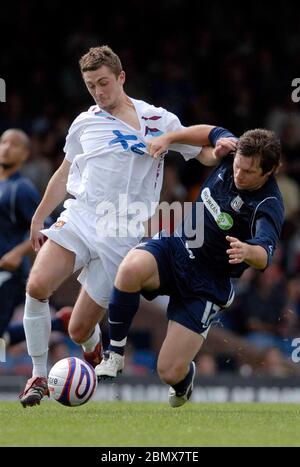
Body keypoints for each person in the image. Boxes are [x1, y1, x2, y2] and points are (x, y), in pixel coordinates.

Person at [19, 45, 228, 407]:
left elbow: (199, 151)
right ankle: (37, 376)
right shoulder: (85, 122)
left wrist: (218, 151)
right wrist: (40, 216)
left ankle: (93, 344)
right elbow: (65, 172)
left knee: (79, 329)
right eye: (90, 86)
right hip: (82, 217)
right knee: (37, 285)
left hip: (123, 233)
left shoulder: (158, 120)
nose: (98, 93)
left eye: (103, 83)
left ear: (121, 78)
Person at [96, 127, 284, 408]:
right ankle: (114, 354)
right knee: (130, 269)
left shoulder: (269, 204)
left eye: (248, 172)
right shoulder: (234, 149)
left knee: (168, 371)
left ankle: (185, 380)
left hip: (208, 283)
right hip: (178, 247)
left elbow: (265, 254)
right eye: (237, 166)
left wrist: (248, 250)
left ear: (268, 172)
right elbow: (207, 132)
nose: (238, 174)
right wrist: (169, 139)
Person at [0, 129, 72, 348]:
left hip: (7, 274)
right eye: (3, 142)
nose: (6, 148)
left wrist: (18, 253)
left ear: (24, 154)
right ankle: (58, 323)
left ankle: (58, 324)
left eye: (14, 144)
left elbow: (47, 227)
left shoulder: (21, 189)